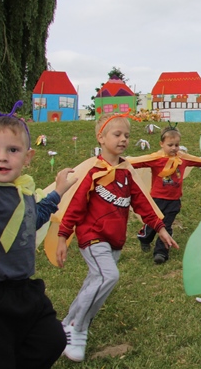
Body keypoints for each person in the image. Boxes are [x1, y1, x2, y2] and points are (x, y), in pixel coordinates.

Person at [56, 112, 179, 362]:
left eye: (127, 135)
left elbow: (143, 204)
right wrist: (62, 236)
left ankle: (66, 323)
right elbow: (75, 207)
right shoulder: (93, 172)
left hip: (115, 240)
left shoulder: (125, 172)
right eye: (117, 134)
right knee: (108, 276)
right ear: (101, 138)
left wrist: (162, 228)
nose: (123, 139)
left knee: (95, 281)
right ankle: (78, 329)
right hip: (92, 237)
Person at [0, 98, 77, 368]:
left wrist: (59, 190)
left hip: (25, 288)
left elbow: (34, 218)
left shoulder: (22, 192)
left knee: (51, 339)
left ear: (28, 156)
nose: (2, 156)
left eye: (12, 149)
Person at [128, 124, 201, 264]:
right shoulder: (156, 158)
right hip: (157, 199)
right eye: (170, 145)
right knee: (153, 224)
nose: (174, 148)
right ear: (162, 144)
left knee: (167, 226)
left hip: (174, 200)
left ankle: (161, 252)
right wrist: (117, 162)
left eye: (177, 145)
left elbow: (200, 162)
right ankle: (144, 237)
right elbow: (136, 162)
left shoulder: (183, 158)